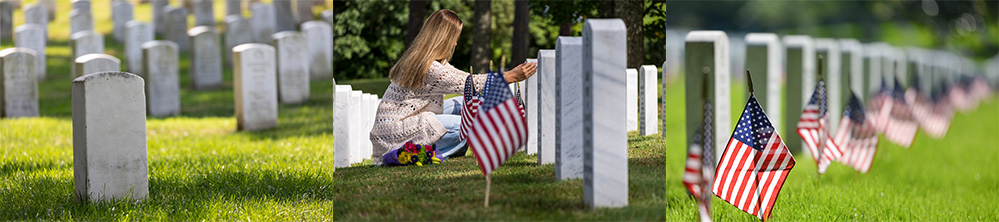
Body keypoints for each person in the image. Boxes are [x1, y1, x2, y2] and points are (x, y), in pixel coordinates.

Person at [370, 9, 537, 164]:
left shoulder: (430, 61)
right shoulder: (429, 68)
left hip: (404, 122)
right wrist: (510, 76)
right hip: (393, 135)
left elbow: (466, 79)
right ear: (444, 39)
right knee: (469, 125)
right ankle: (420, 154)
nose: (456, 43)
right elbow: (471, 84)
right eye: (455, 37)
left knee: (463, 103)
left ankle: (451, 147)